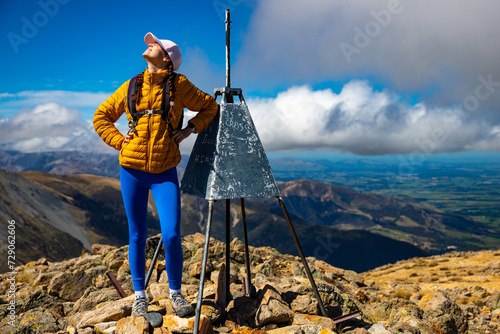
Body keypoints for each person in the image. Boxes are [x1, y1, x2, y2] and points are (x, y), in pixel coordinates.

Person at [93, 32, 218, 318]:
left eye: (156, 45)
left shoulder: (180, 85)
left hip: (164, 171)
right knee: (136, 235)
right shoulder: (132, 85)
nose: (149, 45)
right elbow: (101, 116)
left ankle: (175, 293)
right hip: (132, 169)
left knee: (172, 234)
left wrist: (189, 129)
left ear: (167, 59)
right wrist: (118, 140)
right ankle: (140, 296)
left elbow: (210, 106)